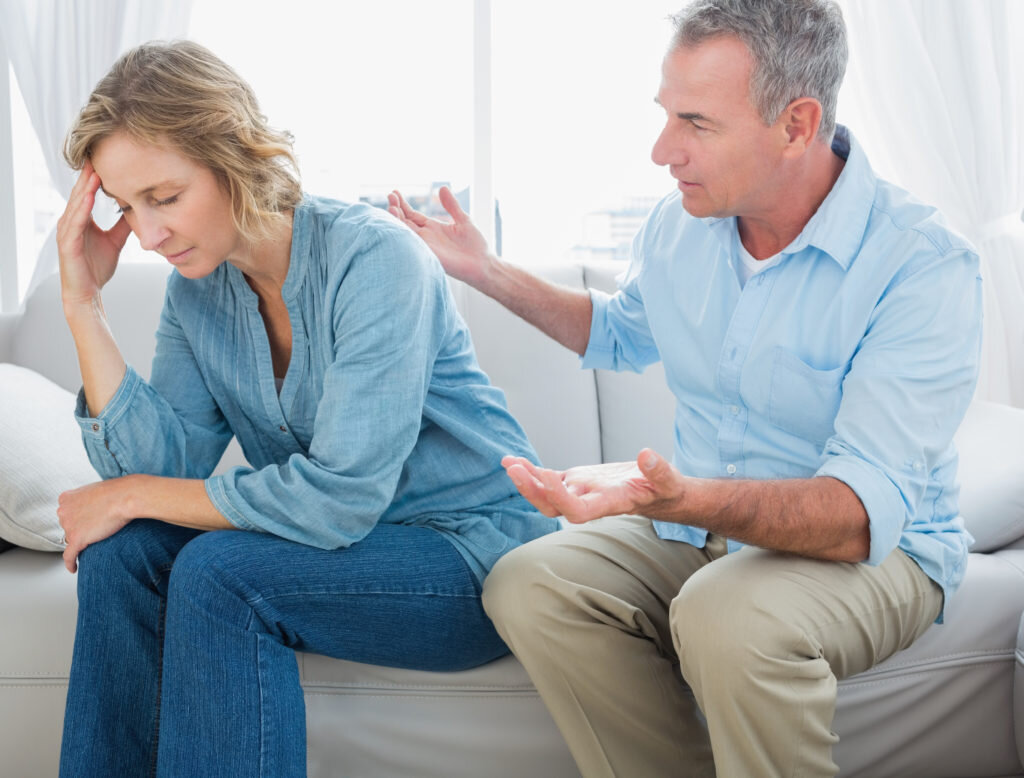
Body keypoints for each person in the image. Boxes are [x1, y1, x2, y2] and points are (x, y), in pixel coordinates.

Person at [387, 0, 983, 775]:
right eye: (666, 115)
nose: (663, 150)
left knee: (726, 613)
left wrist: (680, 498)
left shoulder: (921, 265)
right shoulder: (681, 227)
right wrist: (486, 271)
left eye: (696, 123)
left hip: (878, 551)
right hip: (704, 525)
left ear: (797, 125)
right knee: (529, 581)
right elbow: (617, 332)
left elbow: (857, 516)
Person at [55, 40, 558, 778]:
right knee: (122, 554)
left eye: (164, 197)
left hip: (468, 558)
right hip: (329, 554)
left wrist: (129, 494)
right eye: (129, 208)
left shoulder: (375, 259)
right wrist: (84, 304)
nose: (149, 234)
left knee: (219, 573)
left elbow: (340, 498)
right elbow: (162, 468)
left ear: (232, 156)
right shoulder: (196, 293)